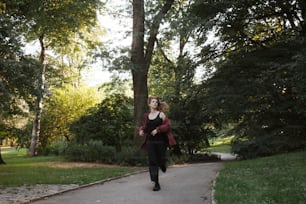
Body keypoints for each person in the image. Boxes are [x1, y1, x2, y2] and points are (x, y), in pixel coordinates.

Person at [139, 96, 172, 191]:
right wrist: (141, 130)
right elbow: (145, 126)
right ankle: (156, 183)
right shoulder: (146, 116)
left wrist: (158, 130)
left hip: (160, 141)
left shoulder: (161, 114)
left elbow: (168, 125)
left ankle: (162, 164)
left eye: (156, 102)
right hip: (150, 141)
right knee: (152, 161)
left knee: (161, 159)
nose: (155, 103)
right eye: (153, 102)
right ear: (149, 104)